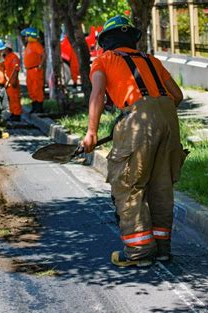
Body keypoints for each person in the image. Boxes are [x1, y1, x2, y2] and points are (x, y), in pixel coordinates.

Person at [82, 16, 186, 267]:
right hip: (169, 118)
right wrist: (156, 113)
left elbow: (97, 94)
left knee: (128, 183)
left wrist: (92, 133)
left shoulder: (103, 61)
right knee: (161, 185)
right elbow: (177, 96)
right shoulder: (151, 60)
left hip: (138, 119)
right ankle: (162, 249)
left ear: (105, 42)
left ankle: (139, 253)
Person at [21, 27, 46, 114]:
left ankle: (39, 108)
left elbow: (43, 55)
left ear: (31, 36)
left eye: (26, 36)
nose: (25, 38)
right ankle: (34, 107)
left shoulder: (36, 45)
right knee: (31, 89)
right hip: (29, 70)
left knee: (37, 88)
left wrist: (40, 65)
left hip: (35, 70)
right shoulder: (29, 45)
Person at [4, 41, 22, 121]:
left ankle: (17, 115)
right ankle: (13, 113)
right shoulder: (7, 57)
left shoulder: (14, 57)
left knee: (15, 98)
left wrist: (14, 80)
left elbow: (16, 70)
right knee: (10, 99)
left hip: (13, 81)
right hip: (8, 81)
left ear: (7, 48)